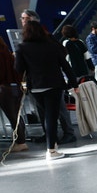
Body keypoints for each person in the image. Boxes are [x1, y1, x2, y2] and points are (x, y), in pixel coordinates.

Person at [14, 20, 77, 161]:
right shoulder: (52, 46)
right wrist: (74, 84)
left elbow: (18, 69)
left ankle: (52, 145)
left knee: (46, 117)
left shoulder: (21, 48)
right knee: (51, 117)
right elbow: (65, 66)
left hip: (35, 87)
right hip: (54, 85)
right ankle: (51, 149)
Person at [0, 36, 27, 152]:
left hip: (5, 88)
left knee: (12, 117)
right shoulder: (8, 53)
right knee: (16, 115)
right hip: (16, 87)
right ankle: (22, 140)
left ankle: (21, 142)